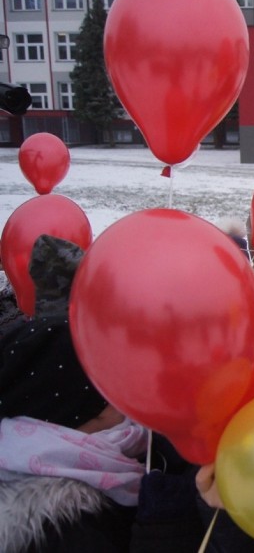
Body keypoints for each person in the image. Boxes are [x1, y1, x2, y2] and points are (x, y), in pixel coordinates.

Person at [0, 235, 148, 552]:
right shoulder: (71, 533)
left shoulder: (23, 457)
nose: (127, 402)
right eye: (112, 391)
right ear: (80, 417)